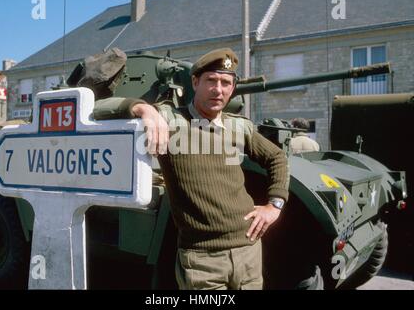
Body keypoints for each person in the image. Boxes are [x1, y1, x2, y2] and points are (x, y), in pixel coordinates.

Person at [99, 48, 289, 290]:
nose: (218, 89)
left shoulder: (239, 127)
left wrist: (275, 205)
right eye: (211, 80)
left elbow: (277, 157)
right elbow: (98, 108)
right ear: (195, 82)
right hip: (203, 261)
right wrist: (142, 108)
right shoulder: (170, 120)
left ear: (232, 89)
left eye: (226, 83)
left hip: (249, 251)